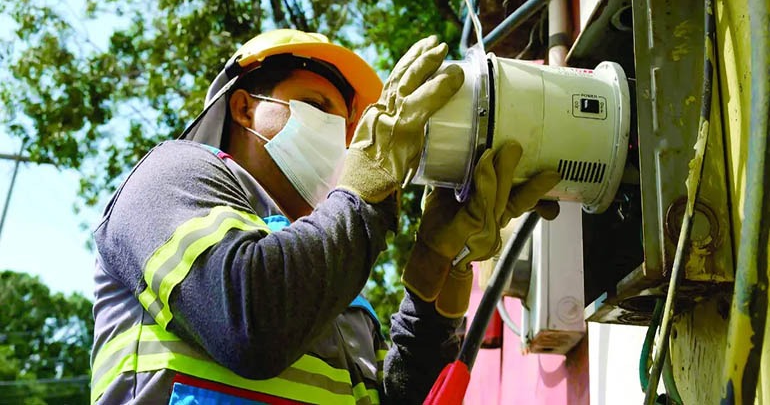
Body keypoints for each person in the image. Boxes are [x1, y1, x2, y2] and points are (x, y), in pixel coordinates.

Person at [90, 29, 560, 404]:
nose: (345, 138)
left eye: (353, 128)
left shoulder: (341, 298)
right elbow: (253, 324)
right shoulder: (172, 176)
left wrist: (436, 284)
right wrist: (364, 196)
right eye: (318, 106)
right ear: (244, 107)